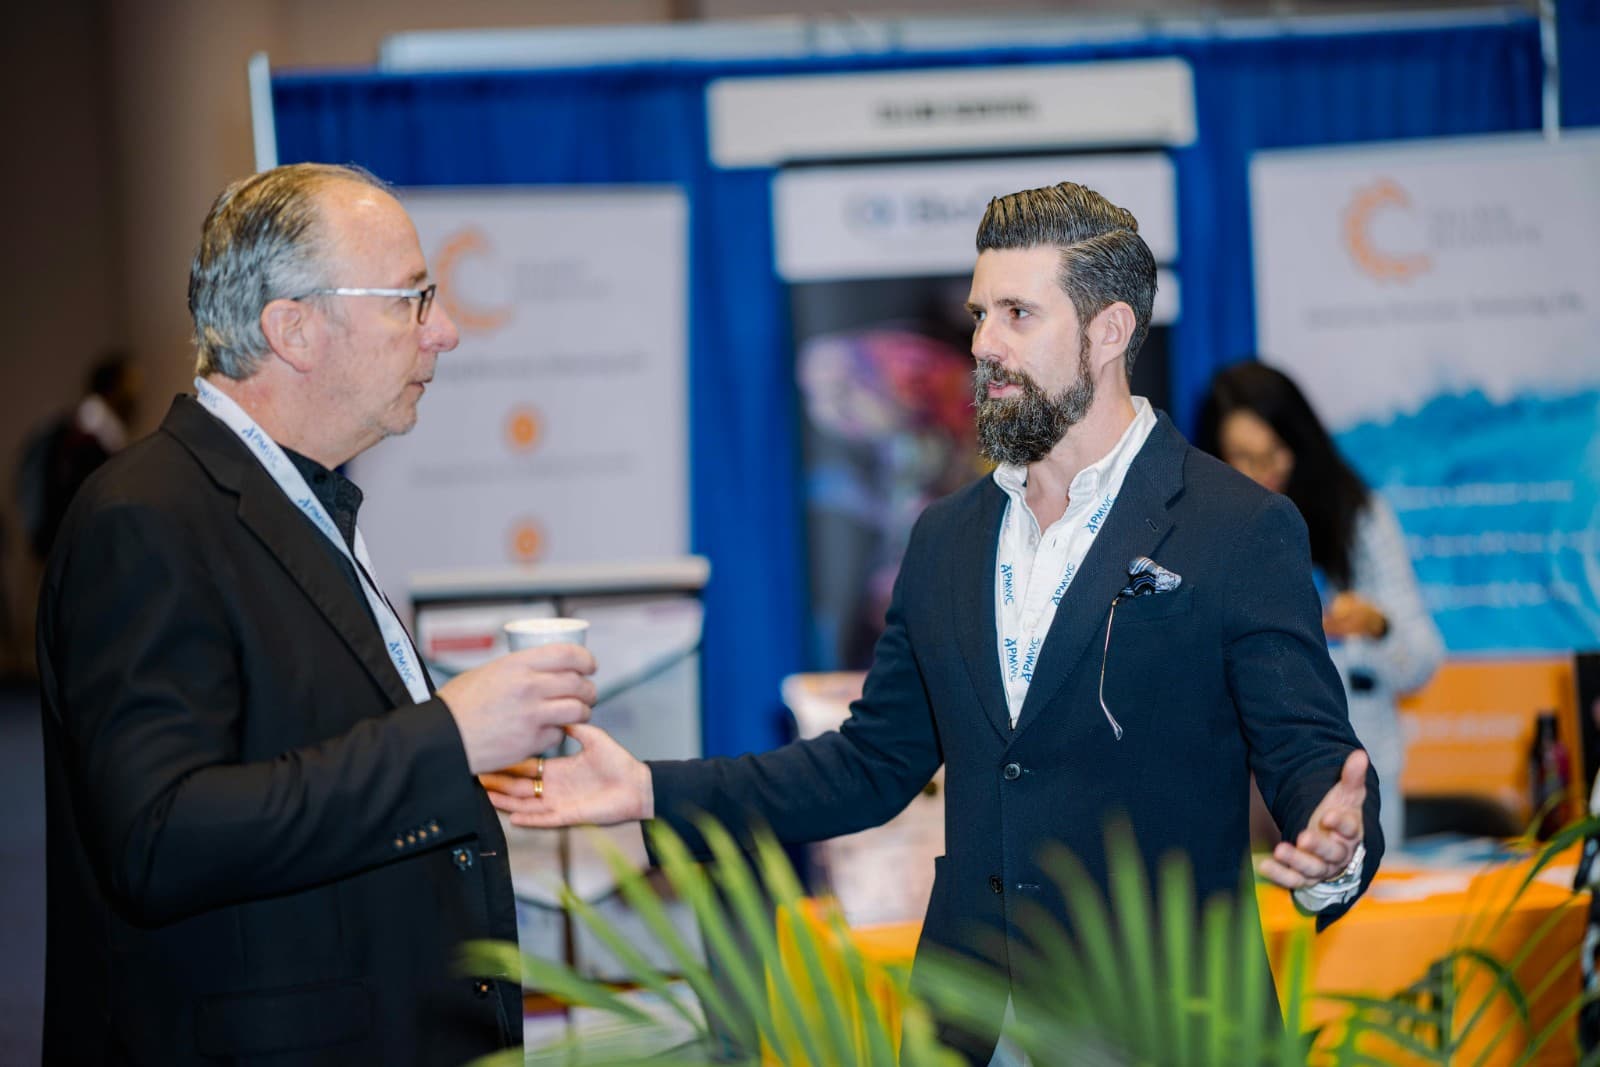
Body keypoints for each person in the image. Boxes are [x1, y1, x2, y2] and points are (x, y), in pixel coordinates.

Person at [487, 181, 1383, 1061]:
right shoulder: (948, 537)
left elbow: (1310, 753)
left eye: (1018, 315)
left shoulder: (1237, 526)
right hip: (970, 1026)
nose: (984, 344)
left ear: (1109, 331)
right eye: (980, 314)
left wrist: (1334, 842)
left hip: (1162, 1026)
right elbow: (870, 764)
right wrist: (649, 790)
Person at [37, 163, 597, 1066]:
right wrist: (447, 739)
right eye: (411, 299)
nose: (445, 332)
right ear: (292, 329)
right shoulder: (146, 517)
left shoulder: (293, 498)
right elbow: (160, 836)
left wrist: (467, 756)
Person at [1196, 361, 1444, 849]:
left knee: (1347, 886)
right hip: (1235, 789)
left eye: (1275, 452)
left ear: (1301, 442)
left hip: (1351, 776)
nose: (1263, 472)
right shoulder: (1202, 530)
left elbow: (1422, 661)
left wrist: (1378, 626)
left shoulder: (1357, 518)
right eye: (1243, 457)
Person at [18, 351, 142, 561]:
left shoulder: (85, 430)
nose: (137, 398)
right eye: (130, 388)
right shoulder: (89, 439)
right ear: (113, 388)